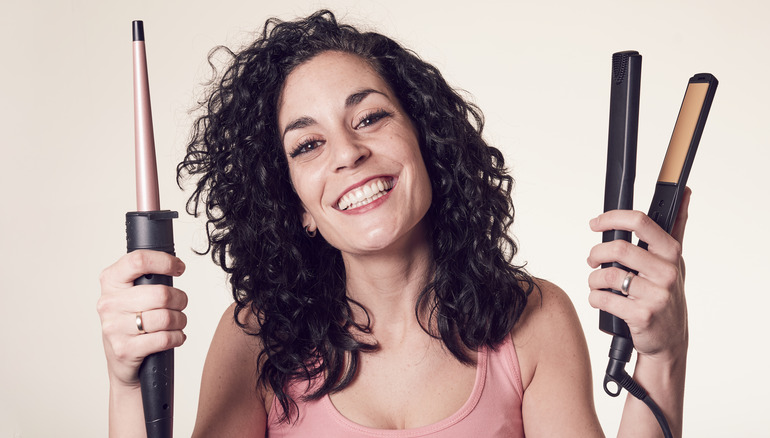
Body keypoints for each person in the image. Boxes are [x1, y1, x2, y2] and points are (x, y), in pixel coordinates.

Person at [98, 10, 690, 437]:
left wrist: (662, 356)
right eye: (307, 145)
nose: (347, 153)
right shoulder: (256, 338)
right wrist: (128, 389)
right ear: (296, 204)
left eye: (371, 117)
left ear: (427, 144)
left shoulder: (534, 321)